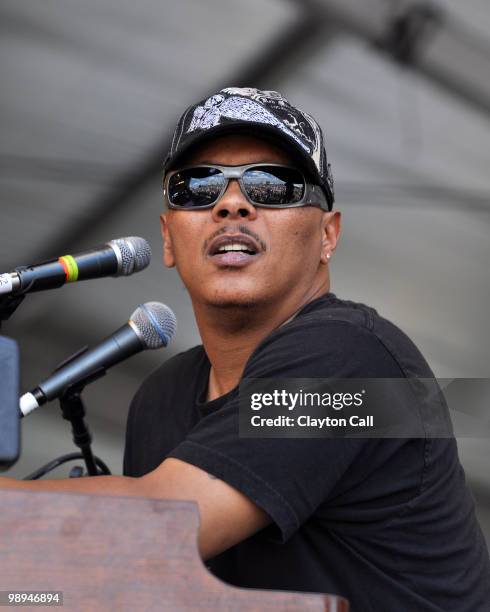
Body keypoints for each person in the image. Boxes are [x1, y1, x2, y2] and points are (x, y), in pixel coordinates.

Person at [1, 87, 489, 611]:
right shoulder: (161, 397)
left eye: (274, 185)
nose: (232, 203)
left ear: (328, 235)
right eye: (197, 187)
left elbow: (153, 528)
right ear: (167, 238)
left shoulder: (357, 363)